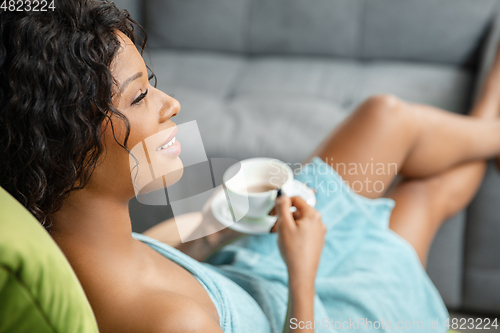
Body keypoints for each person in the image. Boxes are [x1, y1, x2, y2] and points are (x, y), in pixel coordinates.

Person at [1, 1, 500, 332]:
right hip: (313, 307)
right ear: (65, 144)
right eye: (139, 96)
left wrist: (212, 225)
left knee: (384, 117)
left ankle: (488, 126)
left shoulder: (74, 239)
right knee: (423, 197)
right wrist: (303, 271)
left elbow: (148, 250)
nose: (170, 103)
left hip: (256, 272)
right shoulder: (173, 324)